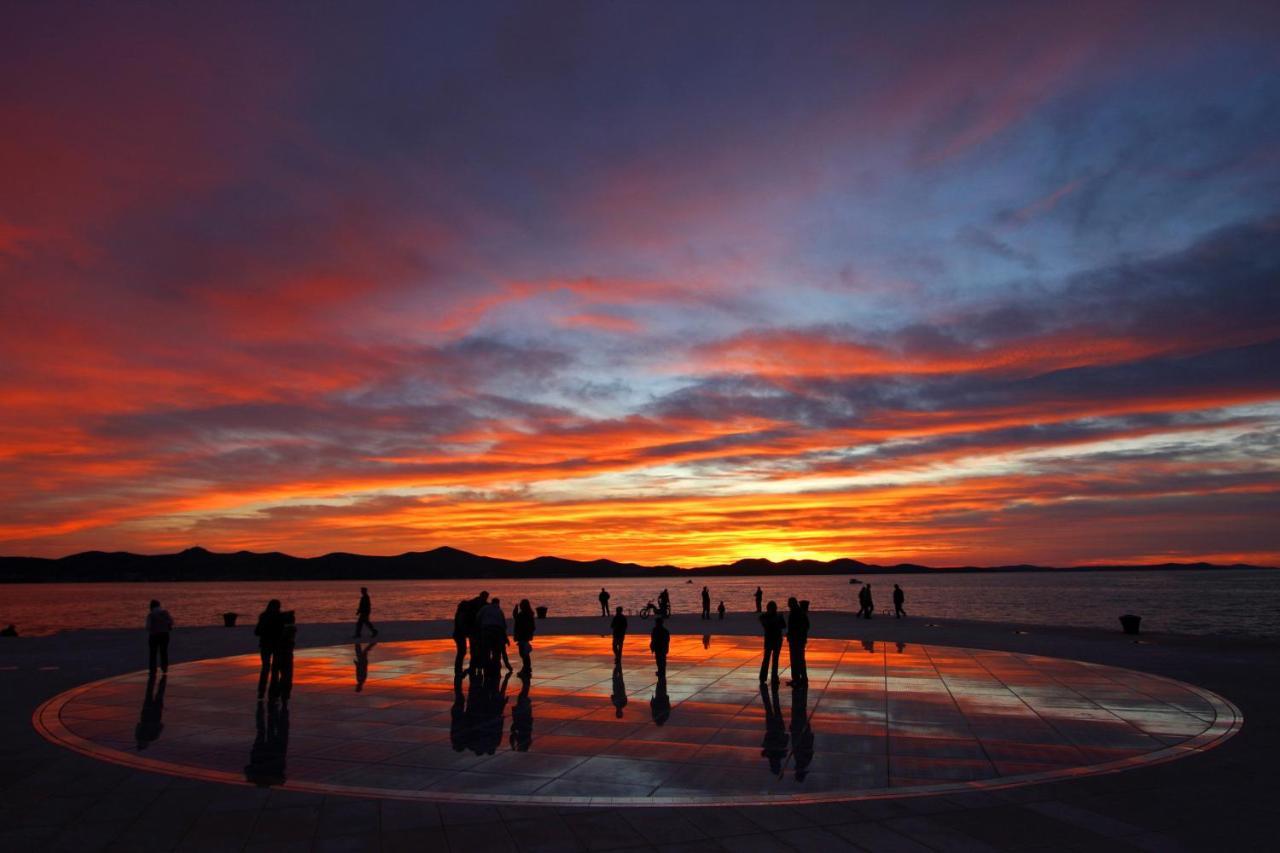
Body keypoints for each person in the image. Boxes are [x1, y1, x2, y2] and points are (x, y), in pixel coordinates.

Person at [253, 599, 285, 700]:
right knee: (274, 669)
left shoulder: (263, 616)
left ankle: (262, 692)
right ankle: (272, 691)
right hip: (274, 645)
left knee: (266, 669)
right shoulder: (279, 617)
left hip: (266, 645)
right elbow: (282, 632)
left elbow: (257, 631)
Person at [478, 596, 509, 672]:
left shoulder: (484, 608)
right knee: (496, 651)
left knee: (486, 650)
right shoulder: (499, 610)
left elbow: (478, 618)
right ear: (498, 603)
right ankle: (496, 666)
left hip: (486, 631)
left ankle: (487, 666)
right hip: (497, 632)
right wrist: (505, 637)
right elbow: (503, 625)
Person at [759, 600, 786, 683]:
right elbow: (766, 624)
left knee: (774, 659)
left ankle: (772, 677)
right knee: (768, 658)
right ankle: (764, 677)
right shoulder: (765, 617)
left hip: (776, 640)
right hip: (771, 640)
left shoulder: (776, 616)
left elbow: (783, 625)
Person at [271, 620, 297, 708]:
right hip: (286, 659)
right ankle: (283, 694)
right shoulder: (288, 639)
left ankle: (279, 693)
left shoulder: (281, 638)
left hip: (280, 658)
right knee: (287, 677)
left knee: (283, 677)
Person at [145, 599, 173, 676]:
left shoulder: (151, 615)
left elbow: (148, 627)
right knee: (163, 651)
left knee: (153, 653)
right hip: (164, 635)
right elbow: (171, 622)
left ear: (151, 606)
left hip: (154, 635)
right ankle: (164, 668)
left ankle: (153, 669)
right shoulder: (165, 613)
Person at [786, 597, 809, 686]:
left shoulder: (798, 613)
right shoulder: (797, 612)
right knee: (798, 659)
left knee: (797, 660)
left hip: (797, 640)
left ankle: (799, 679)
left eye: (789, 603)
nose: (788, 605)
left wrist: (796, 634)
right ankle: (799, 678)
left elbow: (804, 626)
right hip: (796, 639)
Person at [513, 599, 536, 677]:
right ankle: (526, 668)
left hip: (522, 636)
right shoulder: (529, 614)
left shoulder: (523, 614)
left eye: (521, 604)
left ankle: (526, 668)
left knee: (523, 653)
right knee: (524, 653)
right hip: (526, 636)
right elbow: (532, 626)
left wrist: (515, 611)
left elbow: (517, 620)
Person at [451, 599, 470, 676]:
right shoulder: (461, 614)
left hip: (458, 635)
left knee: (461, 652)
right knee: (461, 652)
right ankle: (458, 669)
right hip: (460, 635)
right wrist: (467, 632)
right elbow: (461, 625)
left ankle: (458, 669)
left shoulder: (459, 613)